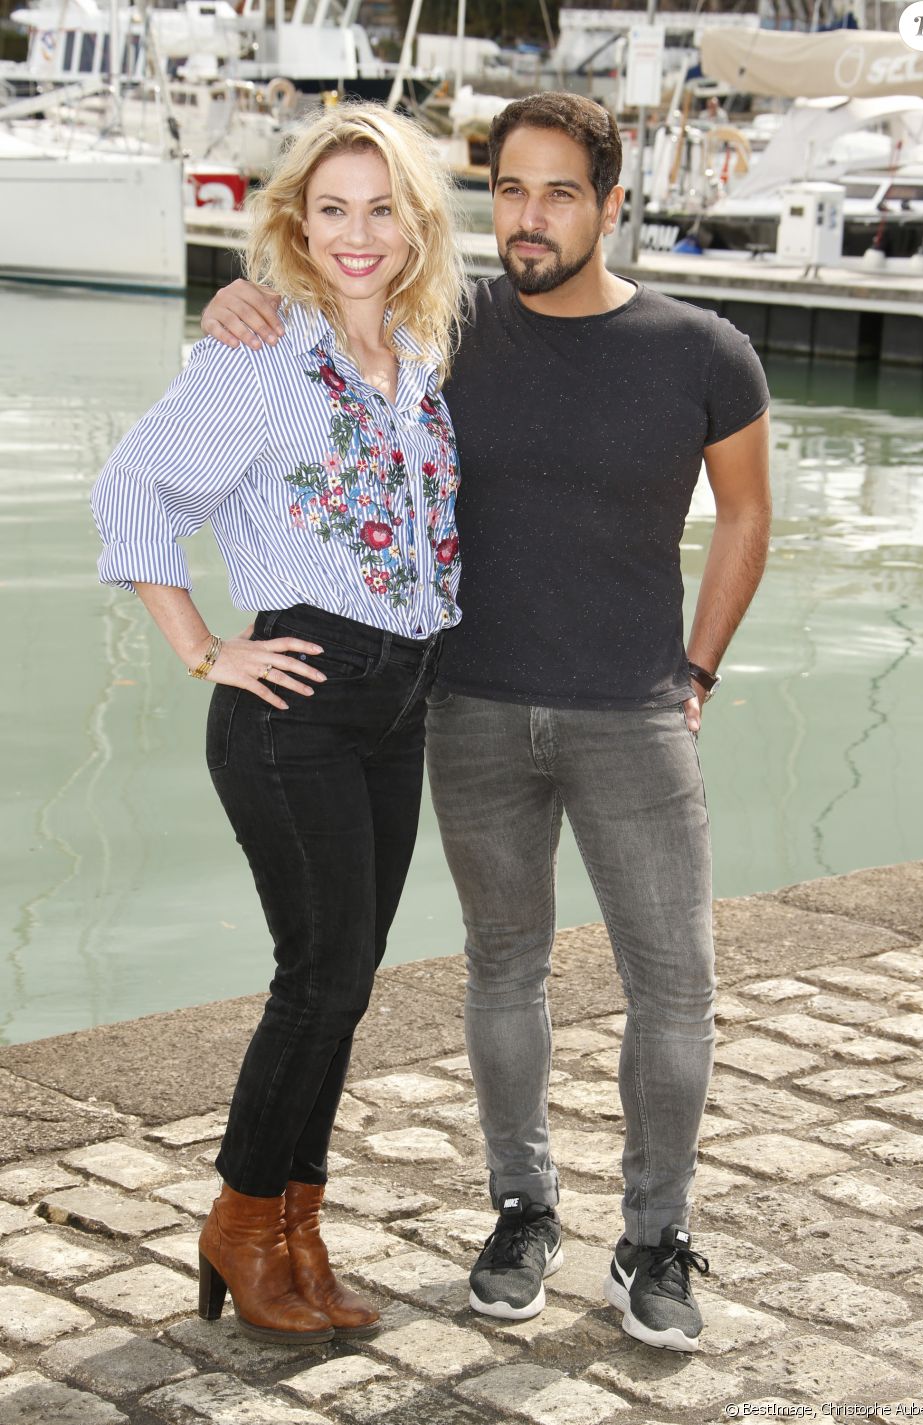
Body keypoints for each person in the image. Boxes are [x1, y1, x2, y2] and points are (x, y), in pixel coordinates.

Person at [200, 91, 771, 1354]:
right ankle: (521, 1212)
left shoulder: (703, 351)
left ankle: (653, 1241)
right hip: (462, 710)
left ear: (612, 205)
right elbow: (317, 325)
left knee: (672, 987)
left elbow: (742, 516)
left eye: (560, 191)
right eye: (510, 189)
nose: (529, 216)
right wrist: (235, 304)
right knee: (501, 971)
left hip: (634, 714)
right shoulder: (444, 330)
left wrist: (699, 668)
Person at [91, 103, 466, 1344]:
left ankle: (300, 1229)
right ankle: (243, 1225)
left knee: (346, 984)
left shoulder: (416, 364)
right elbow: (133, 484)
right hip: (295, 703)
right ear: (295, 223)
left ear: (416, 228)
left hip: (397, 704)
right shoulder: (260, 354)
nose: (357, 235)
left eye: (382, 210)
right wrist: (203, 649)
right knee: (319, 979)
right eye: (332, 209)